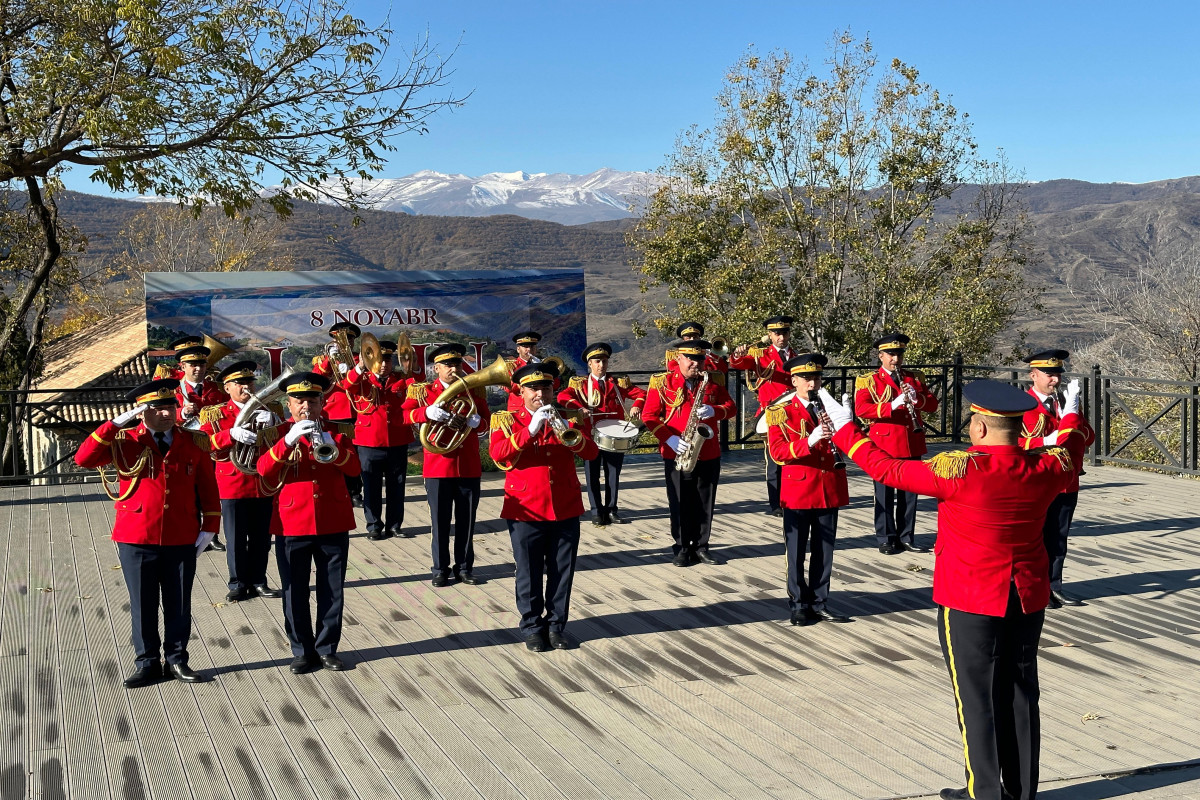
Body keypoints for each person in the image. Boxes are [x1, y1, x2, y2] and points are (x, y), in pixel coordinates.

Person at [824, 379, 1089, 800]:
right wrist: (1073, 410)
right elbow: (1074, 443)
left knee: (977, 697)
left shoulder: (960, 471)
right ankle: (1021, 793)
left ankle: (984, 792)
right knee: (1020, 693)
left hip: (971, 598)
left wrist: (846, 431)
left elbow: (886, 469)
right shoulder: (1049, 467)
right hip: (1027, 595)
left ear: (979, 429)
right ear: (1022, 427)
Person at [74, 379, 221, 688]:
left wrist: (210, 526)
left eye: (170, 407)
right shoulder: (125, 440)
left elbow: (207, 486)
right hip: (136, 535)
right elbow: (84, 459)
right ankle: (147, 662)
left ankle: (178, 660)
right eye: (156, 408)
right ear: (142, 412)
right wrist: (113, 425)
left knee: (179, 602)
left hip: (181, 534)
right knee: (143, 603)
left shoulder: (194, 441)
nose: (166, 413)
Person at [254, 372, 360, 674]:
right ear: (288, 403)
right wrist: (287, 441)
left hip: (333, 519)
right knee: (294, 590)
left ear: (322, 402)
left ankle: (327, 649)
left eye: (312, 401)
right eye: (299, 400)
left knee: (332, 589)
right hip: (292, 521)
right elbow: (264, 471)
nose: (306, 406)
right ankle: (302, 649)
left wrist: (333, 448)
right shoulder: (277, 434)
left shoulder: (338, 431)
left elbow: (354, 469)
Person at [489, 362, 598, 651]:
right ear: (521, 392)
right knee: (529, 569)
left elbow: (591, 451)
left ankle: (556, 626)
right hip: (526, 507)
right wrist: (530, 430)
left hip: (564, 505)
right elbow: (498, 453)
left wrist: (568, 432)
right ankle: (532, 627)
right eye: (533, 389)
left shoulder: (569, 417)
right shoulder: (506, 420)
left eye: (546, 388)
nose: (540, 394)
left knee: (563, 571)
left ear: (554, 390)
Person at [765, 354, 851, 625]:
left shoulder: (828, 407)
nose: (812, 383)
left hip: (828, 486)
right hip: (799, 488)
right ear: (794, 381)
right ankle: (799, 603)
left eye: (816, 378)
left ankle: (820, 600)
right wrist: (809, 441)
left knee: (825, 549)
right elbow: (778, 452)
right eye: (806, 378)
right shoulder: (780, 411)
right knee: (797, 550)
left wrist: (846, 425)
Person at [402, 343, 491, 586]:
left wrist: (477, 422)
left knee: (467, 522)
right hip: (438, 467)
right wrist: (425, 413)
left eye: (457, 364)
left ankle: (464, 568)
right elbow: (404, 416)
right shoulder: (424, 392)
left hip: (468, 467)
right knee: (440, 522)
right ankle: (440, 568)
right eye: (448, 365)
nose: (454, 369)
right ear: (436, 368)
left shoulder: (473, 391)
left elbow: (486, 423)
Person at [642, 340, 737, 566]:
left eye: (700, 359)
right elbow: (649, 416)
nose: (696, 363)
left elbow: (731, 408)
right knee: (680, 501)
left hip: (708, 451)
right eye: (691, 359)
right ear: (679, 359)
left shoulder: (711, 380)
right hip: (678, 451)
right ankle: (682, 547)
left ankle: (702, 546)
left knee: (706, 500)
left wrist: (715, 410)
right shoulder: (662, 382)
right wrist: (669, 438)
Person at [199, 361, 283, 601]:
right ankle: (237, 582)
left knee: (262, 539)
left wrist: (275, 423)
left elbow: (281, 442)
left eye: (250, 382)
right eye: (240, 384)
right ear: (227, 388)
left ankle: (259, 580)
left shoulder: (269, 410)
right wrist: (229, 435)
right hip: (233, 484)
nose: (247, 387)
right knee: (235, 539)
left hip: (262, 483)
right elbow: (205, 444)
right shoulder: (216, 414)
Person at [1019, 349, 1096, 609]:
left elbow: (1089, 436)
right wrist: (1049, 439)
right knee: (1035, 538)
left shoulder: (1065, 402)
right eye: (1049, 375)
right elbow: (1017, 443)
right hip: (1037, 481)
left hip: (1066, 480)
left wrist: (1072, 414)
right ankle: (1034, 589)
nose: (1055, 380)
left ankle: (1055, 587)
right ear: (1033, 375)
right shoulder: (1022, 405)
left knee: (1059, 537)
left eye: (1058, 375)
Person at [853, 333, 940, 555]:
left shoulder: (914, 377)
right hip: (884, 444)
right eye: (891, 355)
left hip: (911, 442)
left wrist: (916, 399)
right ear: (880, 355)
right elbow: (861, 409)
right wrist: (891, 405)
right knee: (883, 493)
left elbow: (931, 405)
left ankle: (906, 536)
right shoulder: (868, 380)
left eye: (899, 354)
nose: (895, 359)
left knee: (909, 494)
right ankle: (885, 538)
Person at [557, 341, 646, 526]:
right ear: (589, 364)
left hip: (615, 436)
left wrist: (637, 405)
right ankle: (596, 510)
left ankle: (612, 509)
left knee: (613, 474)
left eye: (604, 361)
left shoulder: (617, 383)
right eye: (597, 361)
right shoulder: (581, 385)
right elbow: (562, 397)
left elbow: (641, 394)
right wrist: (579, 408)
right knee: (592, 474)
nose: (601, 365)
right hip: (591, 437)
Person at [343, 340, 415, 540]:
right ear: (371, 360)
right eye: (380, 360)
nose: (384, 365)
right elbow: (347, 384)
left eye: (388, 360)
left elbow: (418, 383)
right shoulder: (362, 379)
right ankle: (374, 525)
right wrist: (359, 366)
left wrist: (411, 366)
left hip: (397, 440)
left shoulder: (401, 379)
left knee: (397, 486)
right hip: (369, 441)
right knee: (371, 486)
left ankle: (394, 525)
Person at [730, 316, 796, 516]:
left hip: (793, 414)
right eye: (777, 333)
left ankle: (793, 499)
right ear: (769, 335)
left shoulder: (797, 355)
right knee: (774, 460)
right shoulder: (760, 355)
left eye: (784, 333)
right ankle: (777, 503)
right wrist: (737, 354)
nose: (781, 337)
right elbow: (740, 364)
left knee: (793, 457)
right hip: (772, 414)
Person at [172, 340, 229, 551]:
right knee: (188, 492)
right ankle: (191, 532)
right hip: (184, 447)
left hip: (212, 447)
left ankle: (211, 534)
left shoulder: (215, 388)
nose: (198, 368)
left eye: (202, 365)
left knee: (210, 491)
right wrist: (180, 413)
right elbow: (155, 414)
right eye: (193, 365)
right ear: (183, 367)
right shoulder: (173, 390)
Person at [312, 321, 364, 507]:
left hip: (356, 409)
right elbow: (316, 380)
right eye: (340, 339)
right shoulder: (322, 360)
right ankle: (334, 489)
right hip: (334, 411)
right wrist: (329, 360)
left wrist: (352, 370)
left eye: (349, 339)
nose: (345, 342)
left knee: (353, 454)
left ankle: (355, 492)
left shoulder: (360, 359)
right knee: (334, 452)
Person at [506, 330, 560, 411]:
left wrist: (542, 367)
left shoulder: (543, 364)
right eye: (525, 347)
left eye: (532, 347)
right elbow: (508, 388)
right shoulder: (511, 366)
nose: (529, 350)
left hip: (541, 405)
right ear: (518, 349)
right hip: (518, 408)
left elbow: (555, 385)